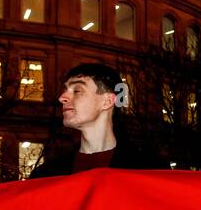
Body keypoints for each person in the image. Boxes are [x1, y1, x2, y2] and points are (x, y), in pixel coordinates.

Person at [29, 63, 163, 177]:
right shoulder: (46, 174)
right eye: (65, 90)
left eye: (77, 90)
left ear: (107, 101)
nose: (62, 97)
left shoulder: (149, 170)